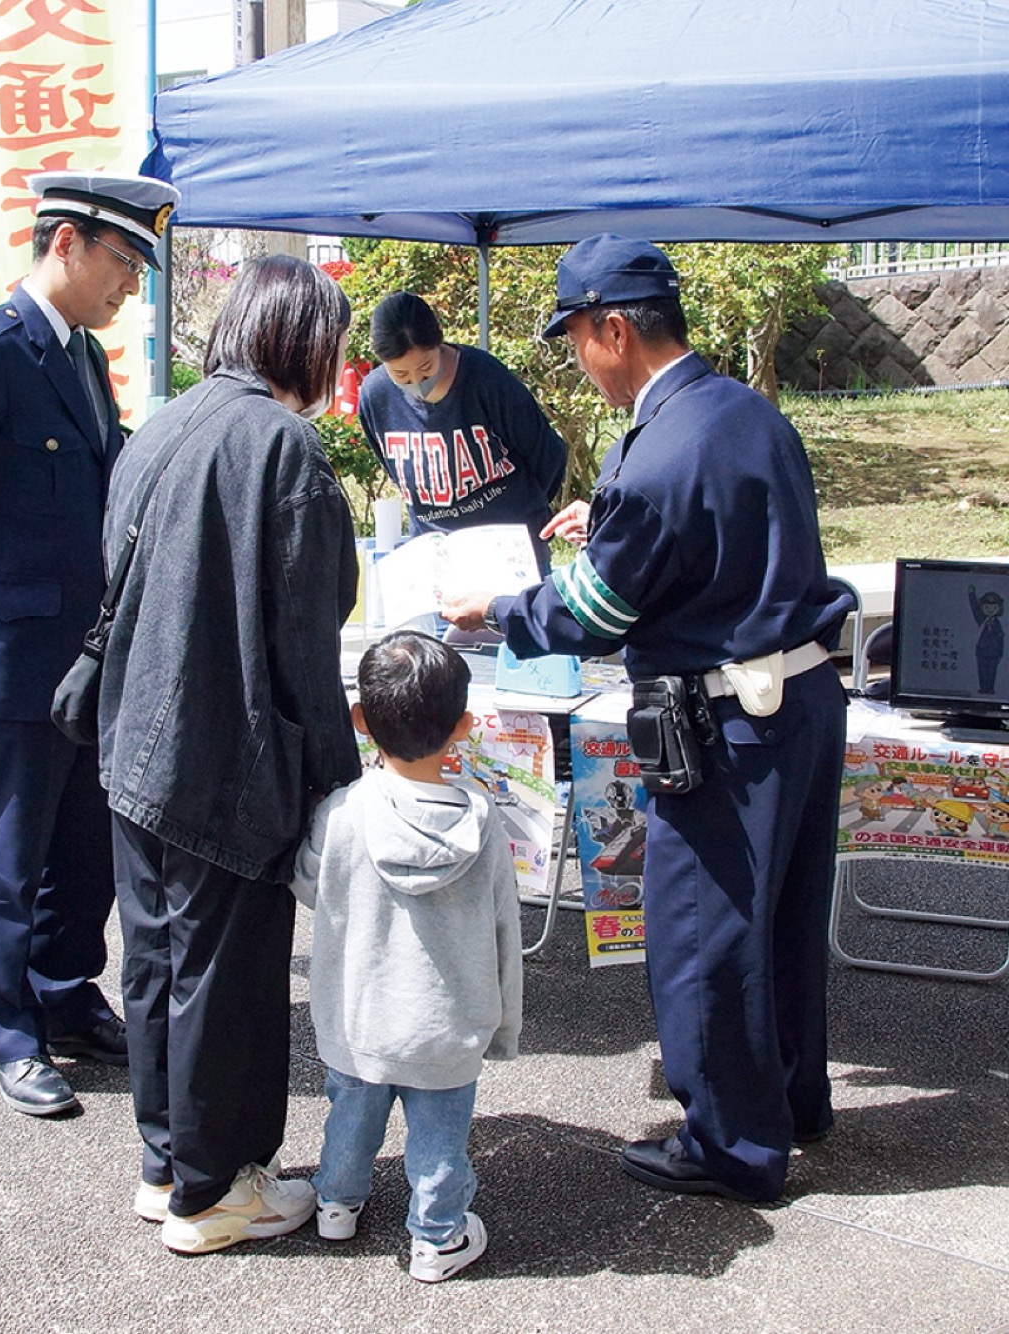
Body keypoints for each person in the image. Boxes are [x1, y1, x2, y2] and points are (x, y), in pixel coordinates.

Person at [444, 234, 854, 1204]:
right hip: (800, 703)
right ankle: (793, 1099)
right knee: (787, 918)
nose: (577, 357)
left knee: (702, 929)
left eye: (577, 336)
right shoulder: (739, 413)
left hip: (726, 723)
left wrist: (494, 608)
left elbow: (588, 614)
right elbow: (708, 535)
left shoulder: (662, 449)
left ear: (613, 328)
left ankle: (732, 1143)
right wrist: (613, 520)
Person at [0, 170, 179, 1118]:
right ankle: (5, 1026)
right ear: (67, 244)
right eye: (123, 260)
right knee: (8, 857)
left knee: (82, 851)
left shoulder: (79, 358)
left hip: (83, 656)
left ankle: (63, 995)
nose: (131, 284)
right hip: (12, 659)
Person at [97, 255, 362, 1255]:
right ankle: (214, 1192)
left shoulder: (163, 422)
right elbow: (308, 632)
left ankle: (168, 1161)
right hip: (223, 756)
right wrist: (338, 780)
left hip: (134, 744)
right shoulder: (282, 446)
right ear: (300, 339)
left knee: (159, 963)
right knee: (225, 978)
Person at [291, 631, 522, 1282]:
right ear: (464, 727)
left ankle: (336, 1204)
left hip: (357, 1021)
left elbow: (309, 885)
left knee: (351, 1121)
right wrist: (502, 1029)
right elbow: (506, 930)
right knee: (440, 1142)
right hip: (447, 1029)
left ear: (360, 721)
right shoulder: (481, 822)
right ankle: (438, 1237)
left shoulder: (341, 813)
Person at [358, 291, 568, 573]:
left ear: (439, 342)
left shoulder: (485, 378)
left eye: (425, 368)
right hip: (438, 557)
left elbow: (547, 455)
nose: (417, 382)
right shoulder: (376, 395)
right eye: (401, 376)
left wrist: (524, 511)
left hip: (510, 551)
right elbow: (397, 471)